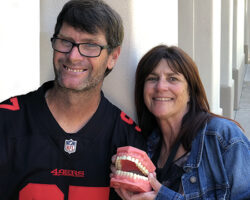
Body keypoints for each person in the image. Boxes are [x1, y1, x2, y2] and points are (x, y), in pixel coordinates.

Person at [0, 0, 146, 199]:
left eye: (90, 45)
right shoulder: (6, 121)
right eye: (65, 41)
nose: (73, 56)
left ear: (113, 56)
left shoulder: (128, 139)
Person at [113, 45, 250, 200]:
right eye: (152, 78)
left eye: (172, 78)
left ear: (191, 91)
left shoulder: (222, 137)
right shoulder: (144, 146)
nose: (160, 87)